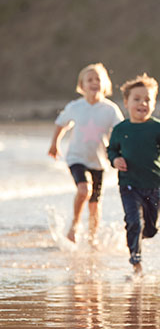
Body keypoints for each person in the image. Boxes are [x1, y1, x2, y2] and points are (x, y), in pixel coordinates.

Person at [108, 74, 160, 275]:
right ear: (126, 102)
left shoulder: (157, 128)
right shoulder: (120, 129)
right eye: (137, 99)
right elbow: (111, 149)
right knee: (134, 222)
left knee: (150, 229)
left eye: (148, 99)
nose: (143, 103)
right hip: (128, 185)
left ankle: (144, 235)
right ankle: (136, 260)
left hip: (153, 185)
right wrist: (115, 160)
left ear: (154, 103)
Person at [48, 63, 123, 244]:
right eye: (89, 79)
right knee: (84, 190)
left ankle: (93, 238)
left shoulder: (110, 109)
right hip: (76, 158)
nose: (94, 82)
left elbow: (121, 130)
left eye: (98, 79)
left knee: (95, 203)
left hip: (99, 161)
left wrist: (121, 152)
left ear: (105, 84)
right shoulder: (75, 106)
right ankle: (73, 227)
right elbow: (61, 124)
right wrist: (54, 145)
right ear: (82, 86)